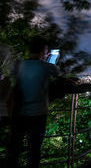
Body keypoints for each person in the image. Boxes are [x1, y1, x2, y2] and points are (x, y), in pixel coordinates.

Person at [6, 36, 59, 168]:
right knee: (34, 151)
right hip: (39, 114)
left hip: (18, 113)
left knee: (14, 149)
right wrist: (53, 59)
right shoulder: (48, 67)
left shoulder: (18, 65)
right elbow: (58, 73)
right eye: (46, 51)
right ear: (43, 51)